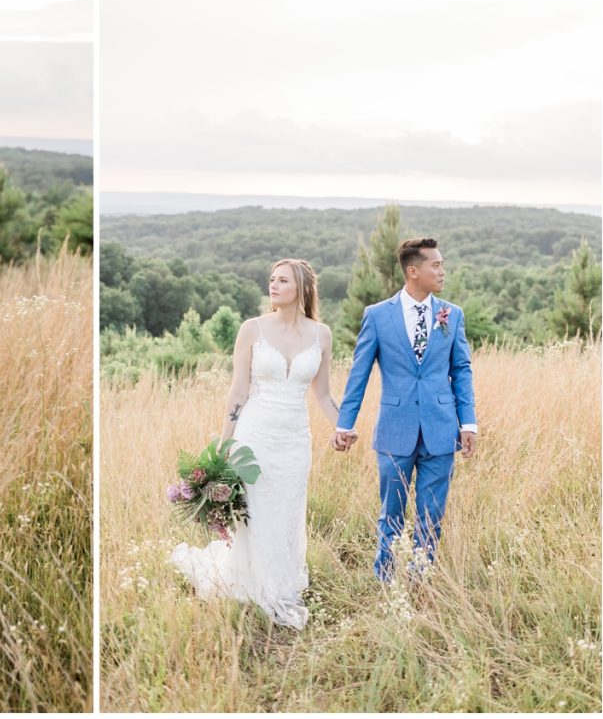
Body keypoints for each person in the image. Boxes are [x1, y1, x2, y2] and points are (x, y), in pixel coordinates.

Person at [171, 259, 352, 629]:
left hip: (294, 438)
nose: (273, 285)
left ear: (301, 288)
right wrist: (225, 442)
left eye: (282, 280)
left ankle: (281, 582)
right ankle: (254, 583)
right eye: (271, 279)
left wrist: (344, 426)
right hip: (255, 434)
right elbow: (239, 389)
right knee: (256, 509)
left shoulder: (322, 335)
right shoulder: (252, 330)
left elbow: (323, 395)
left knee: (286, 509)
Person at [333, 237, 477, 582]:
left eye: (442, 264)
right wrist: (343, 424)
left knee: (431, 514)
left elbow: (462, 370)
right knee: (391, 511)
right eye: (436, 265)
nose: (442, 271)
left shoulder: (451, 315)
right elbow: (360, 373)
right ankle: (385, 577)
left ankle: (420, 578)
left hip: (442, 428)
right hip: (395, 429)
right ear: (413, 271)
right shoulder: (377, 316)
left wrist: (468, 423)